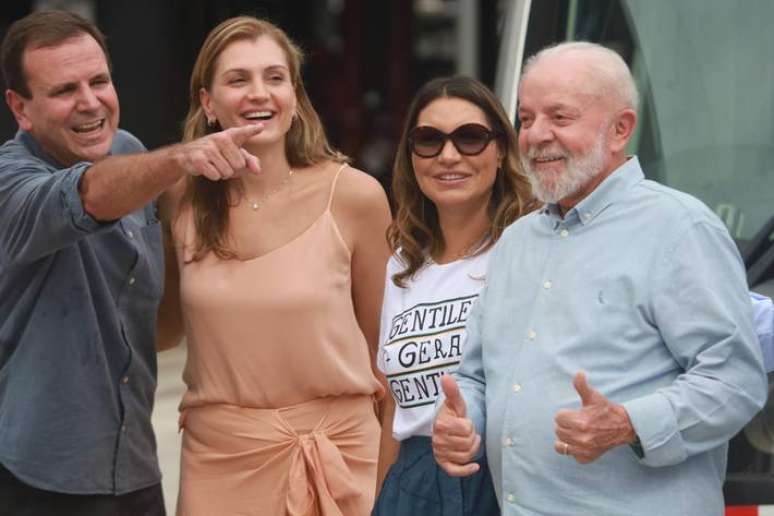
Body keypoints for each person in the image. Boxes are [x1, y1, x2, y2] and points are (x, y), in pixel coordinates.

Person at [431, 41, 768, 515]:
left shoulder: (679, 229)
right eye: (526, 119)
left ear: (620, 129)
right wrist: (463, 421)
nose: (536, 136)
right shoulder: (515, 241)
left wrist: (630, 423)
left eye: (560, 118)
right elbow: (477, 377)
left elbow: (735, 382)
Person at [0, 10, 272, 516]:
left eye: (99, 81)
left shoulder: (130, 154)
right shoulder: (10, 183)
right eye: (64, 90)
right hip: (38, 482)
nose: (90, 103)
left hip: (135, 470)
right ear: (20, 108)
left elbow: (158, 325)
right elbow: (88, 193)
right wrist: (179, 161)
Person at [158, 16, 391, 515]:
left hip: (343, 460)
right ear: (207, 103)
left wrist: (394, 479)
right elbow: (160, 329)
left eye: (274, 77)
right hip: (221, 464)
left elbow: (387, 356)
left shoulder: (355, 196)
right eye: (238, 80)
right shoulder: (176, 200)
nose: (258, 93)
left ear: (294, 95)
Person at [372, 76, 538, 516]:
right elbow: (395, 407)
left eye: (470, 138)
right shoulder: (403, 266)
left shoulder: (530, 248)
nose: (448, 155)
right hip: (413, 483)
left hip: (505, 478)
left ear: (501, 150)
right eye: (428, 140)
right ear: (411, 156)